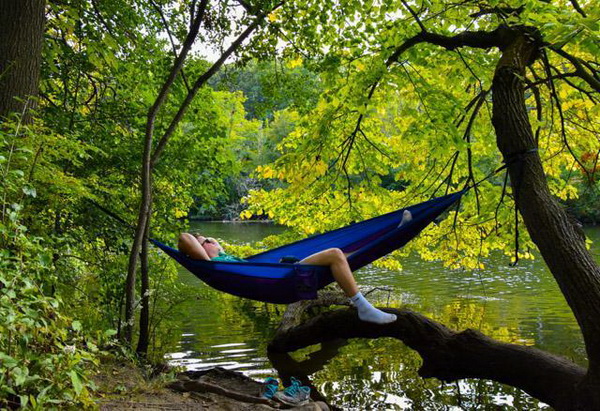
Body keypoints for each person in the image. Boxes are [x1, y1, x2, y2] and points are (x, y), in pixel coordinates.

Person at [178, 211, 412, 325]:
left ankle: (392, 233)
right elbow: (184, 237)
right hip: (282, 279)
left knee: (347, 256)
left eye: (211, 240)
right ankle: (363, 308)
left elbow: (199, 243)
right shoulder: (214, 266)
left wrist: (210, 245)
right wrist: (202, 249)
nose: (209, 241)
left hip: (281, 272)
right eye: (205, 242)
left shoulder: (226, 258)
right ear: (199, 251)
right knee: (335, 254)